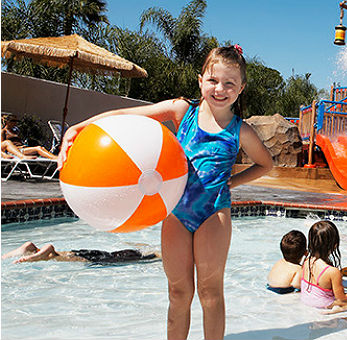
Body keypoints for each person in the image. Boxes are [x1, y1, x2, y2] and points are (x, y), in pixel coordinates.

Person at [58, 45, 274, 340]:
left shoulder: (241, 131)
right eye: (213, 80)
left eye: (229, 83)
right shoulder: (182, 111)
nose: (220, 89)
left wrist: (231, 183)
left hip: (213, 214)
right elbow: (126, 116)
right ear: (200, 80)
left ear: (241, 89)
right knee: (178, 291)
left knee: (210, 293)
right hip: (176, 212)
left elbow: (265, 164)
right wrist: (79, 128)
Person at [300, 221, 347, 313]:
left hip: (306, 300)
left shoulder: (306, 261)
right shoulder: (332, 271)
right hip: (324, 305)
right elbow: (341, 298)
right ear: (334, 245)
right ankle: (337, 310)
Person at [2, 241, 159, 264]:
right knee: (62, 257)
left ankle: (32, 250)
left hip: (98, 252)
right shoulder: (144, 256)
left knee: (70, 255)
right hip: (98, 256)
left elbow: (140, 246)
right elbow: (154, 255)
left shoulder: (138, 250)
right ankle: (44, 254)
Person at [267, 230, 307, 294]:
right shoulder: (299, 269)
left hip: (269, 288)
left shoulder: (279, 262)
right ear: (305, 252)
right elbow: (297, 285)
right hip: (283, 292)